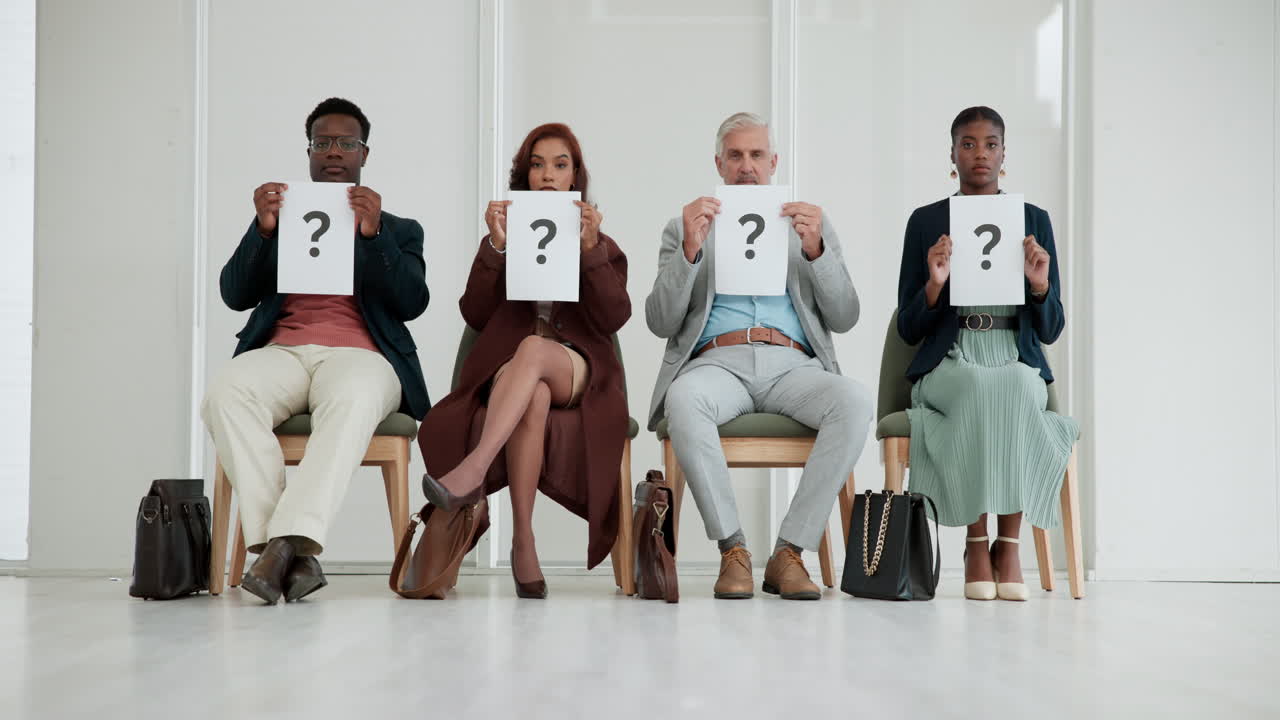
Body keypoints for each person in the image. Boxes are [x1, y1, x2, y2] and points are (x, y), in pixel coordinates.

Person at [202, 97, 429, 604]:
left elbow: (413, 302)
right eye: (322, 142)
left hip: (362, 356)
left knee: (351, 400)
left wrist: (374, 238)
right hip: (282, 350)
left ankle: (276, 549)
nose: (333, 152)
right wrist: (262, 228)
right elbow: (234, 293)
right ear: (307, 152)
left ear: (364, 154)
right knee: (224, 393)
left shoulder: (398, 229)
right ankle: (289, 552)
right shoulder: (281, 216)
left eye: (346, 143)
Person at [645, 112, 872, 601]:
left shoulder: (808, 224)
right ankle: (733, 550)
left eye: (755, 156)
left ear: (773, 162)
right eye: (735, 156)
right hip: (716, 363)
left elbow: (846, 315)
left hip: (793, 364)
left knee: (853, 401)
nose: (746, 167)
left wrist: (816, 250)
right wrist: (690, 248)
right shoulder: (684, 226)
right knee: (684, 400)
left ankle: (789, 552)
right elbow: (660, 321)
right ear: (719, 165)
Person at [419, 123, 630, 599]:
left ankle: (473, 469)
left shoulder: (599, 240)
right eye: (537, 165)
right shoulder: (505, 236)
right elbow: (473, 315)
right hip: (510, 372)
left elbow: (615, 317)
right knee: (531, 390)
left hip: (575, 367)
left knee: (535, 352)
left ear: (576, 176)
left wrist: (590, 251)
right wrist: (495, 246)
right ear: (524, 176)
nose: (548, 175)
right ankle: (523, 541)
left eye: (560, 165)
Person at [896, 105, 1077, 602]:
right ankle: (976, 543)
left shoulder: (1033, 219)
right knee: (980, 387)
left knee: (1018, 385)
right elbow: (909, 327)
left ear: (1004, 154)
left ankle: (1009, 545)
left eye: (990, 144)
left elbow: (1053, 327)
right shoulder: (926, 221)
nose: (980, 153)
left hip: (1012, 351)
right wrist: (934, 285)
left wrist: (1039, 285)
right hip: (952, 357)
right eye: (969, 144)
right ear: (952, 154)